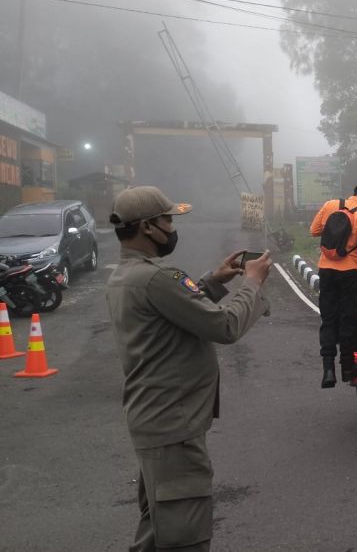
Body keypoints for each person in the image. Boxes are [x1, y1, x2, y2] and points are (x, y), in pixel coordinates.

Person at [106, 186, 272, 551]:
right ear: (148, 227)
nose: (172, 226)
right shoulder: (156, 278)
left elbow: (176, 313)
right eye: (167, 220)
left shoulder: (128, 275)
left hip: (156, 422)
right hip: (172, 429)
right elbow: (224, 326)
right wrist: (252, 283)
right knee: (184, 538)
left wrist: (213, 282)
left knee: (158, 530)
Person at [310, 180, 357, 388]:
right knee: (348, 319)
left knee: (328, 318)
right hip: (351, 271)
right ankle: (347, 368)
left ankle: (327, 370)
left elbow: (314, 230)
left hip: (326, 270)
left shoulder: (330, 205)